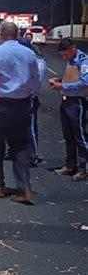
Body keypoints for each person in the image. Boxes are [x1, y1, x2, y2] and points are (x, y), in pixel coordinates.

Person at [0, 22, 40, 204]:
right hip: (22, 106)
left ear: (1, 35)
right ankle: (23, 188)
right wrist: (30, 95)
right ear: (17, 34)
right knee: (21, 146)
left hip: (0, 105)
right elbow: (36, 81)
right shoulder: (29, 54)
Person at [49, 38, 88, 182]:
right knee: (68, 136)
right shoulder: (71, 61)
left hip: (77, 102)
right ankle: (70, 165)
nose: (64, 58)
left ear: (73, 48)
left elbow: (85, 81)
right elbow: (71, 78)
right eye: (63, 56)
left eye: (66, 55)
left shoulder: (83, 61)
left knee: (80, 136)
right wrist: (60, 80)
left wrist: (63, 86)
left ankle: (84, 168)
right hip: (66, 101)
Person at [17, 32, 47, 165]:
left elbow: (36, 81)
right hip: (18, 98)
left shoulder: (38, 62)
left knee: (30, 128)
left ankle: (33, 155)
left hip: (29, 99)